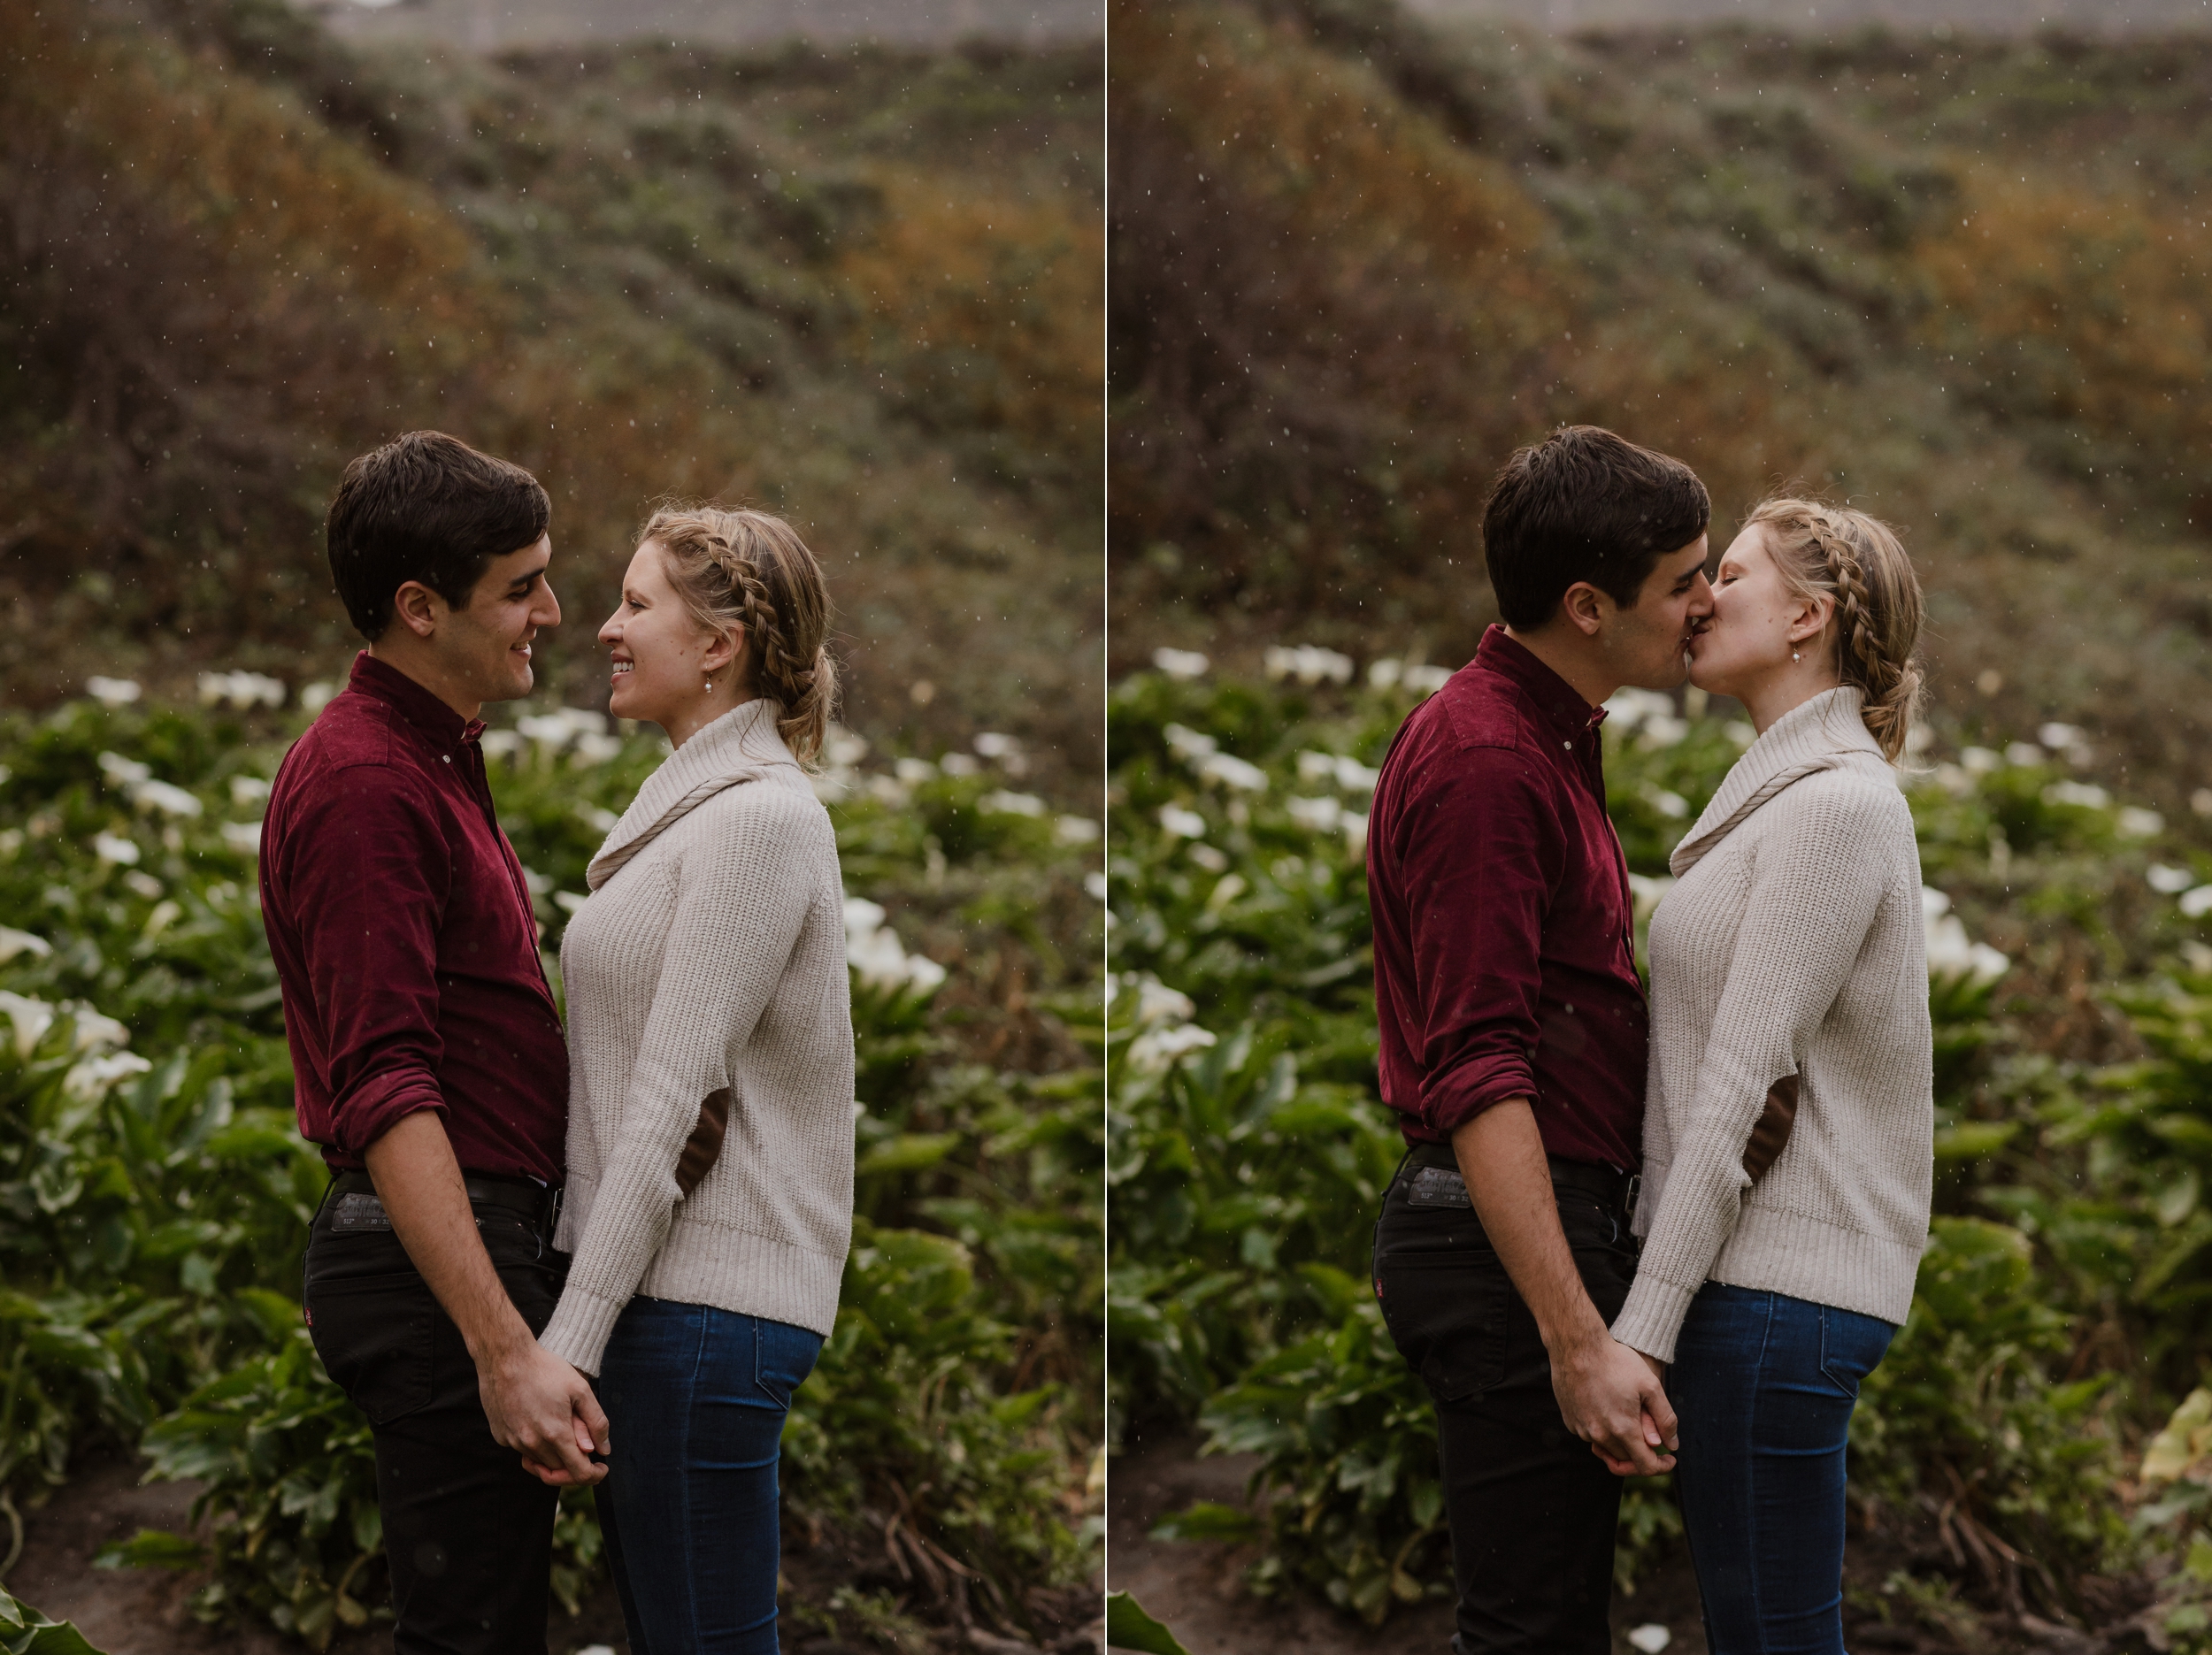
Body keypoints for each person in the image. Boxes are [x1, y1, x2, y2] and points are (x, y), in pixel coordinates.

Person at [1368, 425, 1714, 1652]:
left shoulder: (1545, 734)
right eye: (1684, 581)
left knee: (1552, 1622)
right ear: (1586, 605)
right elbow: (1478, 1068)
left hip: (1529, 1229)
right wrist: (1577, 1342)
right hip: (1505, 1240)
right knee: (1530, 1633)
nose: (1706, 603)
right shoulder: (1489, 761)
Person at [264, 431, 610, 1655]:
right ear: (419, 609)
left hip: (458, 1249)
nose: (553, 613)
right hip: (436, 1264)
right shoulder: (366, 781)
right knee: (469, 1638)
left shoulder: (431, 754)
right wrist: (502, 1349)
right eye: (520, 587)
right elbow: (389, 1086)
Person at [1609, 499, 1933, 1655]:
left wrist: (1641, 1330)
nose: (1700, 598)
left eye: (1728, 575)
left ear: (1808, 616)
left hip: (1777, 1297)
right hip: (1757, 1293)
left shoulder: (1839, 807)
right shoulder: (1792, 796)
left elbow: (1746, 1082)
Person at [535, 504, 854, 1655]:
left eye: (635, 604)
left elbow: (673, 1099)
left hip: (703, 1313)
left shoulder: (758, 823)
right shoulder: (702, 809)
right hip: (666, 1310)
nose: (606, 629)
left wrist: (568, 1339)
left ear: (718, 643)